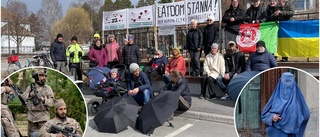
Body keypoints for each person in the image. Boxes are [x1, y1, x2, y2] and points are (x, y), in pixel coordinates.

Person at [261, 72, 310, 137]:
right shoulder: (275, 98)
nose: (287, 84)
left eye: (289, 81)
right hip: (277, 132)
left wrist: (297, 120)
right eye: (285, 81)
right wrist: (272, 117)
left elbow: (306, 115)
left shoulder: (298, 99)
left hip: (293, 133)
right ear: (280, 82)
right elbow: (264, 115)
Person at [21, 68, 55, 137]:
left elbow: (52, 102)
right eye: (41, 75)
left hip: (43, 118)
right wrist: (30, 94)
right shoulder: (30, 87)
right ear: (36, 76)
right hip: (32, 118)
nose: (44, 78)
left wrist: (44, 100)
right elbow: (23, 98)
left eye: (45, 76)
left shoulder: (47, 88)